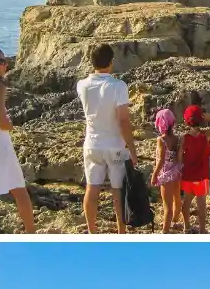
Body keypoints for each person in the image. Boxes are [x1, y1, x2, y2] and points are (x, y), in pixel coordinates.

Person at [76, 43, 137, 235]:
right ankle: (121, 232)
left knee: (92, 188)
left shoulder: (82, 85)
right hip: (115, 147)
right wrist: (133, 150)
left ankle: (92, 231)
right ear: (111, 62)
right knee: (117, 190)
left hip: (92, 145)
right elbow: (124, 120)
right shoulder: (118, 86)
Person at [0, 49, 35, 233]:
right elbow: (2, 121)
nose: (3, 64)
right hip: (0, 143)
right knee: (19, 190)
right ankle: (30, 232)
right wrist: (11, 125)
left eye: (3, 61)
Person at [178, 103, 210, 234]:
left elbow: (179, 158)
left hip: (188, 176)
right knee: (201, 206)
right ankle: (202, 230)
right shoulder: (206, 135)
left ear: (185, 121)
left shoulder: (184, 138)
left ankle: (187, 227)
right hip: (202, 177)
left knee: (186, 203)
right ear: (201, 120)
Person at [151, 108, 182, 233]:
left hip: (166, 173)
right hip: (176, 171)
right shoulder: (177, 138)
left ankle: (165, 231)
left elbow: (161, 160)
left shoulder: (161, 140)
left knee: (167, 205)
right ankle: (174, 221)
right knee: (177, 199)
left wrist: (154, 174)